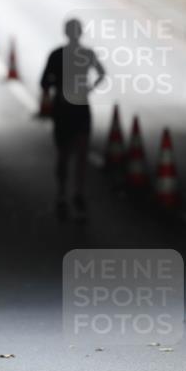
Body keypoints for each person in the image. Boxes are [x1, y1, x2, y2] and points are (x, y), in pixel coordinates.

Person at [40, 19, 106, 221]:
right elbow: (102, 73)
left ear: (67, 33)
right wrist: (89, 88)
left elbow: (44, 82)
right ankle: (77, 192)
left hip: (63, 109)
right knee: (81, 153)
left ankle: (63, 192)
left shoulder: (57, 54)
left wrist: (51, 95)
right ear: (79, 33)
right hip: (81, 107)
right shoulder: (86, 54)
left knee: (64, 153)